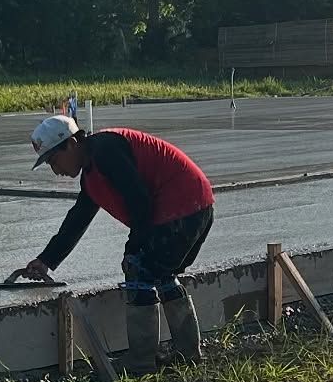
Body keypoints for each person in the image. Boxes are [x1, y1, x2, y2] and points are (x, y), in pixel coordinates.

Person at [12, 117, 215, 368]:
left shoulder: (106, 150)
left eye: (54, 160)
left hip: (182, 206)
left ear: (72, 143)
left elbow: (139, 202)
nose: (56, 171)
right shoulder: (92, 173)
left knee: (138, 268)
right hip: (194, 206)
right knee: (160, 273)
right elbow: (78, 218)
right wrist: (46, 260)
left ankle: (142, 361)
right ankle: (187, 354)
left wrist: (133, 250)